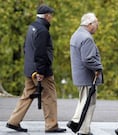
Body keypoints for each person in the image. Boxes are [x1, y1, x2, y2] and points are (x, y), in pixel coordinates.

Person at [6, 4, 66, 133]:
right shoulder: (43, 31)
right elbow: (41, 52)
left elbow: (26, 48)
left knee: (27, 95)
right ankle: (51, 125)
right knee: (49, 96)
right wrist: (41, 71)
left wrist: (31, 67)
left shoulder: (32, 27)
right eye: (51, 15)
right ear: (47, 16)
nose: (52, 18)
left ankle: (13, 121)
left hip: (30, 68)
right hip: (40, 71)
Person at [67, 12, 103, 135]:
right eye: (96, 23)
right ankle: (83, 129)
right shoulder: (86, 38)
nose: (97, 26)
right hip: (87, 76)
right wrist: (98, 67)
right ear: (89, 24)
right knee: (89, 103)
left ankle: (76, 121)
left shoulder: (76, 34)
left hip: (80, 75)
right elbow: (88, 59)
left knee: (83, 100)